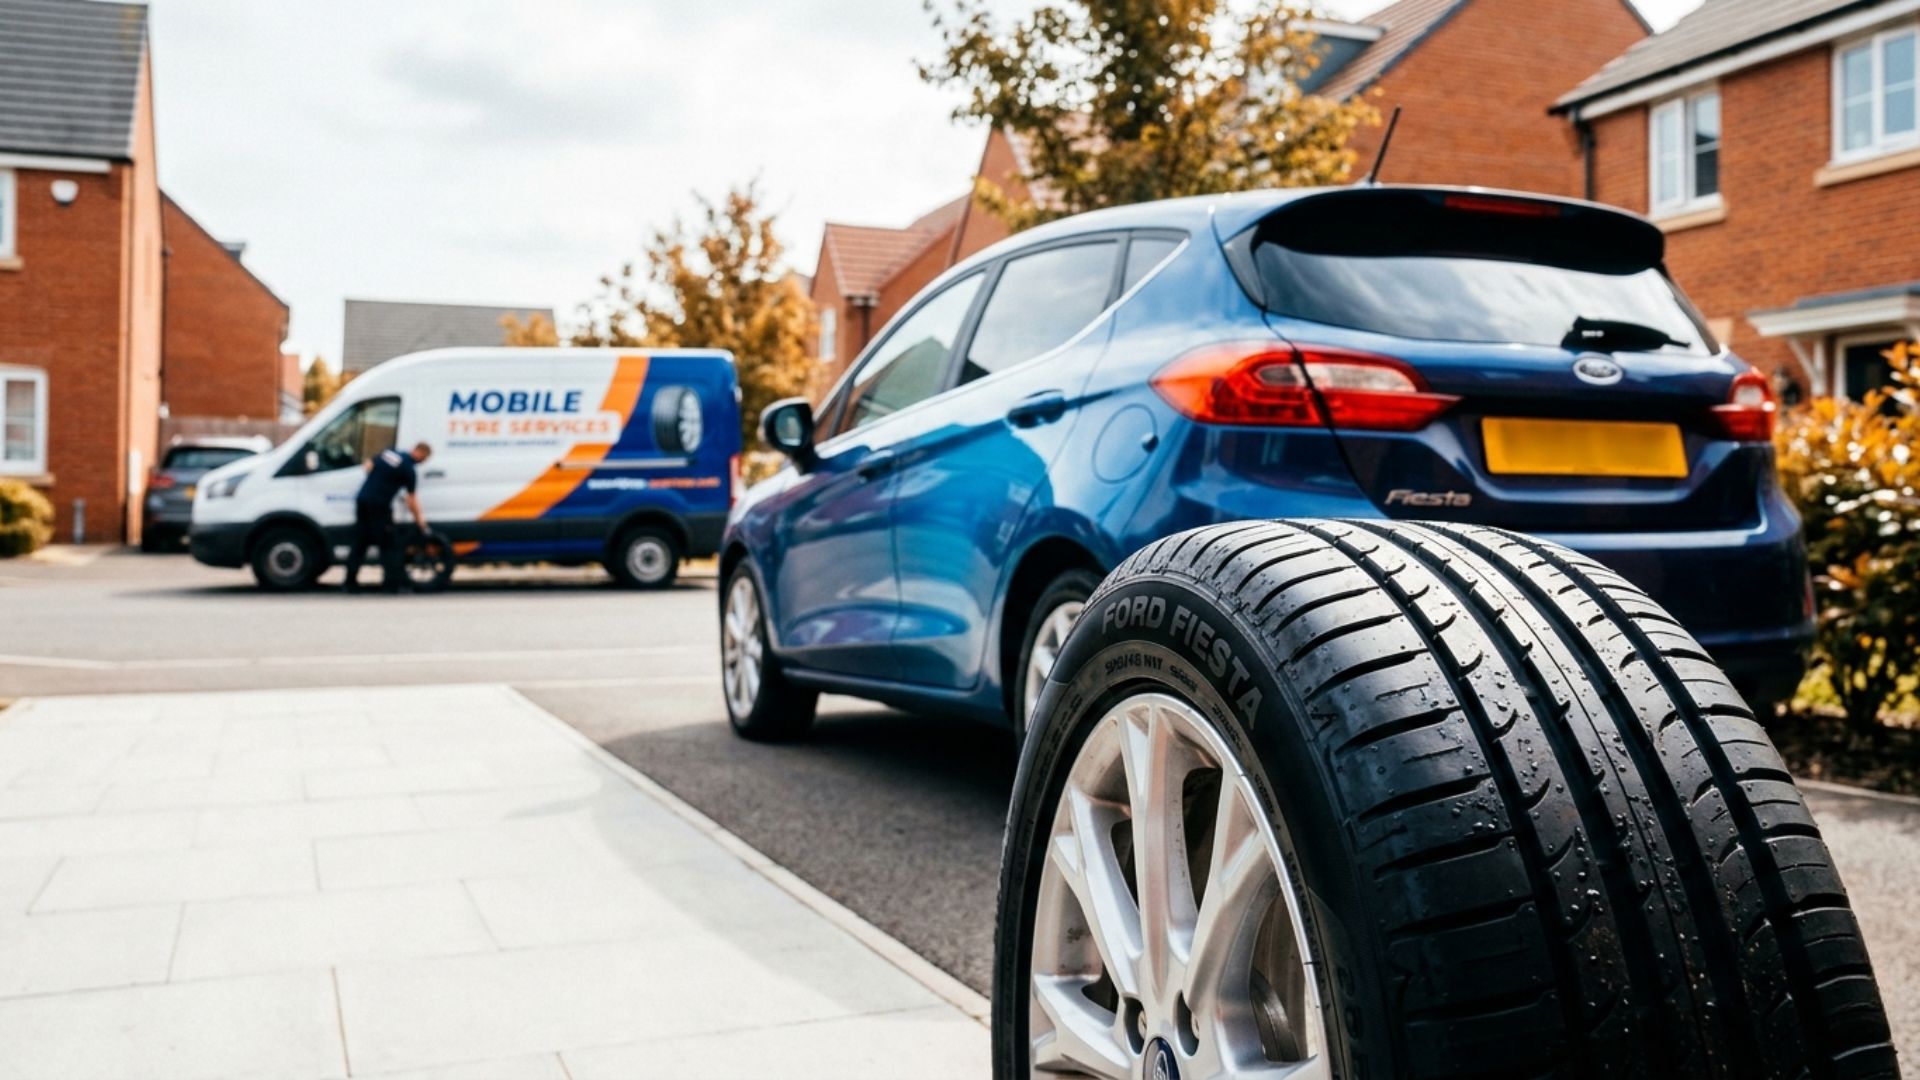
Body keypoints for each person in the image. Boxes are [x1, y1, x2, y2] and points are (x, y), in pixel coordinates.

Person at [344, 442, 431, 594]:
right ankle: (391, 585)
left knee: (360, 543)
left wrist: (381, 481)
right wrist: (420, 522)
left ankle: (349, 583)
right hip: (379, 506)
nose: (423, 462)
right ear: (421, 453)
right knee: (388, 545)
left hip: (363, 501)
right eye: (424, 459)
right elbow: (412, 500)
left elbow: (368, 466)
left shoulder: (390, 453)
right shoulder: (409, 470)